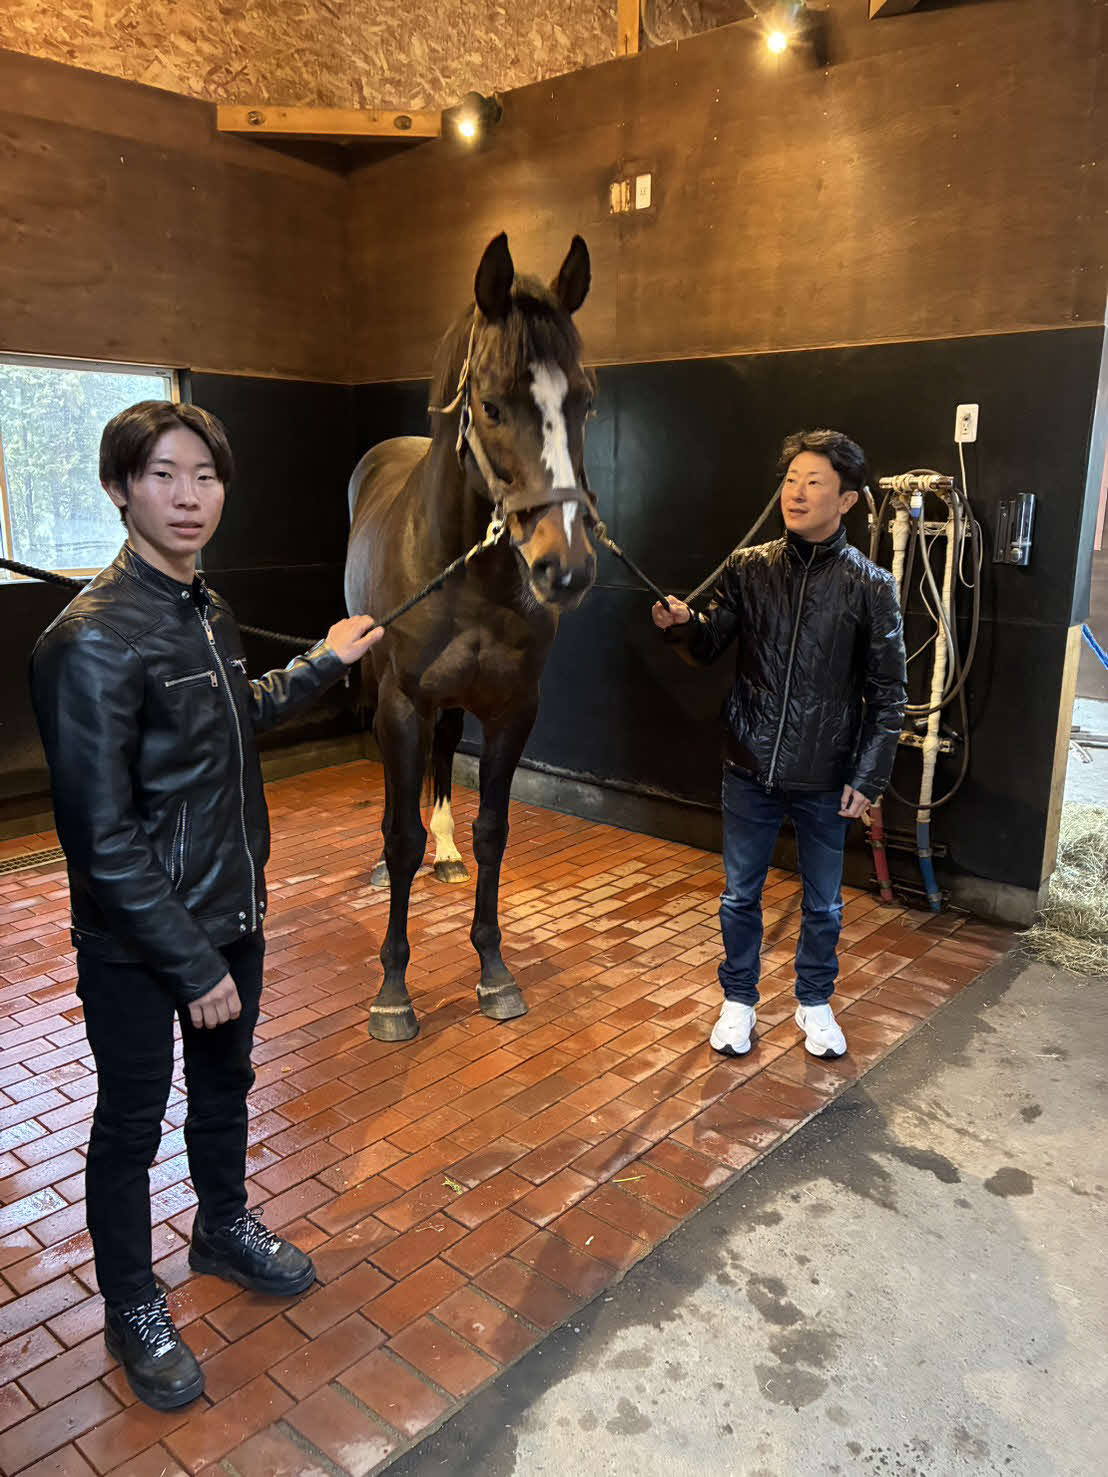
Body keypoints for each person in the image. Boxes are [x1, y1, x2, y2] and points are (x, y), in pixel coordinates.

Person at [29, 401, 383, 1412]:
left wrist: (324, 662)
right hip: (139, 945)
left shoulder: (206, 608)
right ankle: (132, 1302)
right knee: (129, 1125)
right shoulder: (88, 641)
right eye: (162, 475)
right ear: (119, 489)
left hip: (233, 908)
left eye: (206, 476)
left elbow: (237, 716)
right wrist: (190, 963)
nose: (188, 497)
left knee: (226, 1088)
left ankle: (221, 1225)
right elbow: (101, 836)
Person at [652, 429, 906, 1062]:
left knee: (824, 904)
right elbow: (709, 644)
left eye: (814, 482)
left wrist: (869, 777)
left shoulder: (870, 585)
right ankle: (738, 999)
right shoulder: (750, 567)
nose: (797, 492)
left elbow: (888, 694)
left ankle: (814, 1001)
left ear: (846, 500)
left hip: (827, 774)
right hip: (749, 763)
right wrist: (683, 627)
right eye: (791, 480)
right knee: (739, 895)